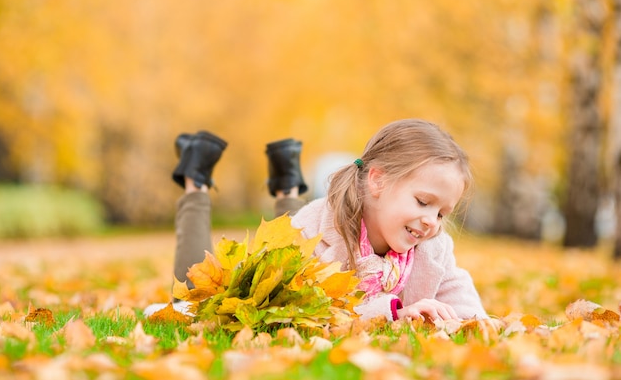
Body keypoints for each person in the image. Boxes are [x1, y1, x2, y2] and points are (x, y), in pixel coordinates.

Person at [144, 119, 487, 322]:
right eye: (423, 202)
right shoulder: (318, 229)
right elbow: (313, 310)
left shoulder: (433, 246)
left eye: (442, 213)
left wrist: (477, 322)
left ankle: (287, 180)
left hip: (296, 245)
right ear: (378, 181)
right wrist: (394, 311)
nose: (431, 222)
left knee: (289, 241)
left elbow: (459, 294)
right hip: (272, 279)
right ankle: (195, 181)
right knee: (192, 297)